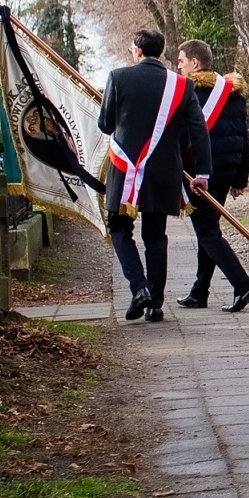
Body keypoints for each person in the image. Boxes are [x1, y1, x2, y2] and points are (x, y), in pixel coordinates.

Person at [99, 29, 211, 323]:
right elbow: (198, 130)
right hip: (163, 170)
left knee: (119, 228)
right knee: (156, 236)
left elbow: (105, 124)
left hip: (125, 169)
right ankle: (155, 304)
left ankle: (139, 288)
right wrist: (202, 172)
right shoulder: (181, 85)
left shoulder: (117, 77)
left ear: (137, 50)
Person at [173, 40, 249, 313]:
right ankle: (200, 292)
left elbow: (183, 136)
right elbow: (243, 139)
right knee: (209, 228)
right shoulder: (232, 92)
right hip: (226, 170)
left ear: (194, 63)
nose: (178, 66)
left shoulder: (187, 93)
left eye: (181, 61)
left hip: (200, 173)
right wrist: (240, 179)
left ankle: (243, 286)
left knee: (207, 232)